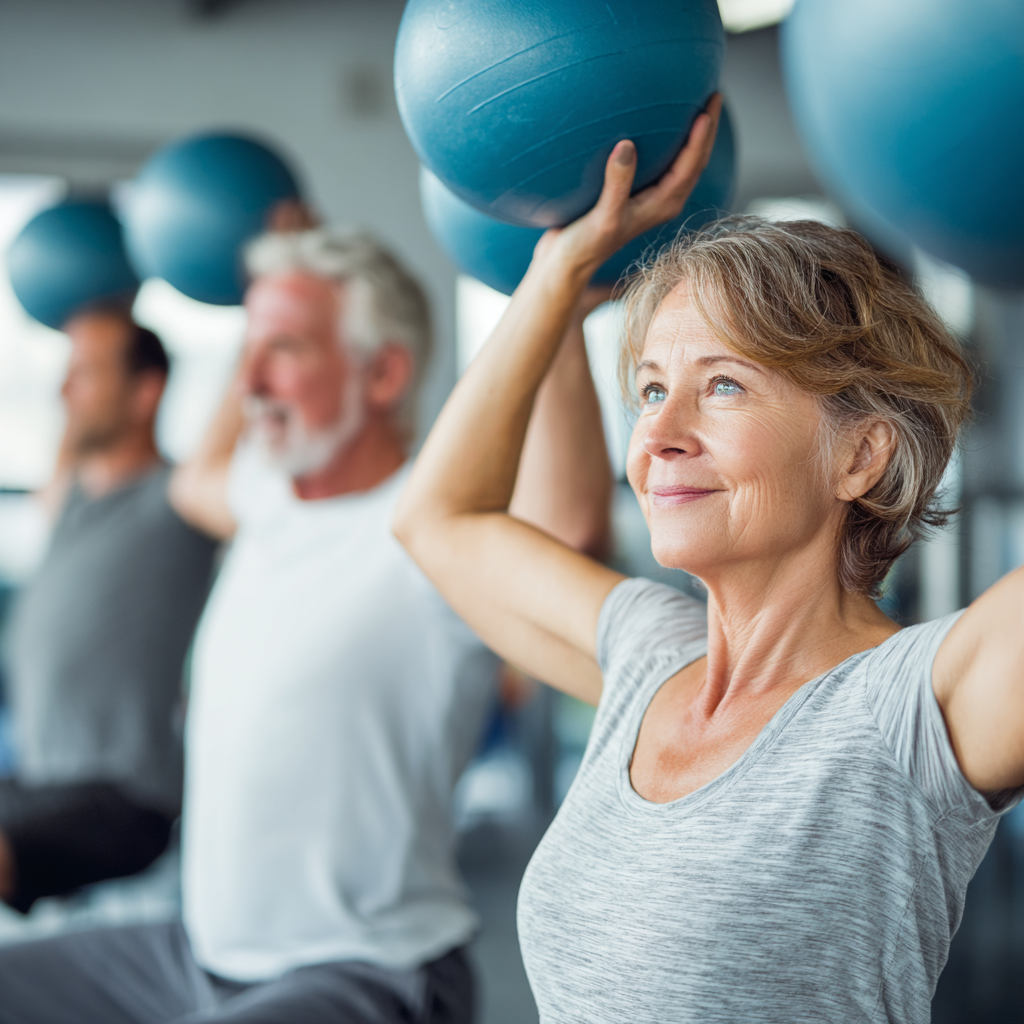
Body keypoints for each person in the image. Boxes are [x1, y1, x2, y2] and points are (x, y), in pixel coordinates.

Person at [393, 96, 1024, 1023]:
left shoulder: (914, 709)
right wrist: (556, 274)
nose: (659, 437)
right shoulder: (647, 655)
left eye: (723, 384)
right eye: (650, 389)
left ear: (861, 455)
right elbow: (438, 519)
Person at [0, 226, 612, 1023]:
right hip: (196, 955)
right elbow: (194, 479)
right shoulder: (267, 499)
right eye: (247, 350)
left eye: (283, 349)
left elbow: (565, 530)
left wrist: (552, 298)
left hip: (367, 970)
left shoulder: (432, 528)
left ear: (383, 372)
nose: (248, 380)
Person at [0, 308, 218, 914]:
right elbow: (70, 426)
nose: (65, 389)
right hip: (38, 783)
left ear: (147, 391)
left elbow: (229, 433)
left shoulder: (175, 497)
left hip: (123, 799)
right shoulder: (70, 498)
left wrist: (260, 295)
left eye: (86, 373)